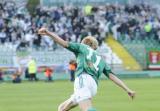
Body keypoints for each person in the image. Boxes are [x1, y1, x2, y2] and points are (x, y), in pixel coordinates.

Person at [38, 28, 135, 111]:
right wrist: (127, 89)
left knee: (87, 109)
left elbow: (64, 43)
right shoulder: (101, 59)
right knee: (61, 108)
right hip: (93, 87)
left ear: (86, 43)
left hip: (83, 79)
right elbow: (112, 76)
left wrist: (48, 33)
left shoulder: (82, 47)